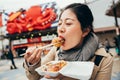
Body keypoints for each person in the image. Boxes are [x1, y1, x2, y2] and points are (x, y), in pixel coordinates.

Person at [23, 3, 113, 80]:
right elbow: (35, 76)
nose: (60, 29)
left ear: (85, 31)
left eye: (68, 23)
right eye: (59, 24)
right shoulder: (57, 49)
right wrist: (32, 63)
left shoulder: (103, 59)